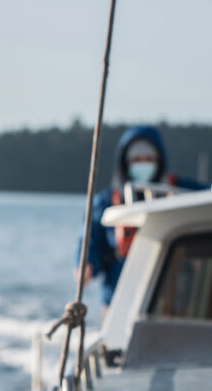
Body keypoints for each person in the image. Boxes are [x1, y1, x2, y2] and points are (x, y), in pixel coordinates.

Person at [76, 126, 205, 313]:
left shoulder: (184, 192)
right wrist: (85, 266)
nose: (143, 164)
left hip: (174, 298)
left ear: (159, 161)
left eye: (149, 159)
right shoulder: (105, 203)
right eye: (136, 160)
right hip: (118, 300)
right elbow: (89, 241)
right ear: (125, 163)